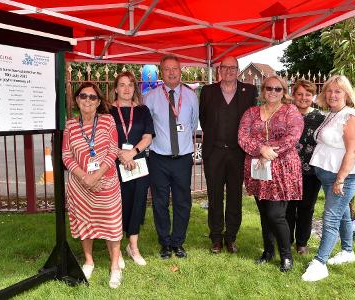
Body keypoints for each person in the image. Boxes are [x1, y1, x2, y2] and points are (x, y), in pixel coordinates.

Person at [302, 75, 355, 282]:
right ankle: (348, 251)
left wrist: (340, 179)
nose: (332, 95)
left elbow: (354, 150)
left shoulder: (350, 117)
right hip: (327, 174)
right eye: (329, 91)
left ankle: (320, 263)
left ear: (347, 95)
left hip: (342, 178)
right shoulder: (332, 114)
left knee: (330, 218)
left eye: (337, 91)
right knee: (340, 216)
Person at [238, 75, 304, 272]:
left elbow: (292, 136)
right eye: (269, 88)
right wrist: (260, 150)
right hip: (259, 169)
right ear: (263, 90)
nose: (272, 92)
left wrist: (270, 151)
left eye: (277, 89)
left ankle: (286, 256)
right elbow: (242, 136)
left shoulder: (290, 111)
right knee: (265, 213)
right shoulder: (251, 112)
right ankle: (268, 252)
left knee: (276, 214)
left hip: (282, 168)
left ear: (284, 91)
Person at [62, 82, 123, 288]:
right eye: (83, 96)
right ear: (77, 99)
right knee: (85, 223)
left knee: (112, 225)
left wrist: (96, 176)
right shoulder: (70, 124)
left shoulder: (108, 121)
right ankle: (89, 261)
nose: (87, 100)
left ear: (98, 102)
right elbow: (66, 154)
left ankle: (115, 267)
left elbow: (113, 150)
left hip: (106, 183)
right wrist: (83, 177)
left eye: (92, 97)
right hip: (80, 186)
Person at [199, 56, 257, 254]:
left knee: (234, 196)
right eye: (225, 67)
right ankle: (216, 237)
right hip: (214, 152)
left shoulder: (249, 91)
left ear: (238, 70)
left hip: (238, 153)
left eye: (233, 67)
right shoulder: (208, 91)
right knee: (214, 196)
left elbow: (253, 121)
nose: (229, 71)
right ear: (219, 70)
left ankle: (231, 237)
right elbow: (203, 118)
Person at [144, 54, 199, 259]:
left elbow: (193, 124)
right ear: (161, 72)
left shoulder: (191, 96)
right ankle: (165, 243)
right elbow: (148, 128)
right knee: (159, 202)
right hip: (158, 158)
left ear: (181, 70)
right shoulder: (150, 97)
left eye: (175, 68)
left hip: (183, 158)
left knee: (182, 201)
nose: (172, 72)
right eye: (167, 69)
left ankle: (178, 242)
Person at [109, 71, 155, 266]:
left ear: (134, 88)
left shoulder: (143, 110)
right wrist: (121, 154)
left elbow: (148, 136)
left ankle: (133, 247)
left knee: (137, 204)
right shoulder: (107, 111)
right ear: (116, 88)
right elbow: (105, 137)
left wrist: (132, 153)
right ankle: (116, 250)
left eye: (130, 85)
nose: (126, 88)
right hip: (113, 165)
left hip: (138, 164)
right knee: (117, 206)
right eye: (122, 84)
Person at [285, 80, 325, 255]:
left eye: (308, 94)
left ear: (313, 96)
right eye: (300, 94)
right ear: (293, 95)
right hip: (287, 171)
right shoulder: (286, 114)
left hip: (311, 172)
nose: (303, 98)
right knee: (287, 208)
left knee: (306, 208)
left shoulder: (321, 118)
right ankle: (286, 240)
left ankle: (302, 242)